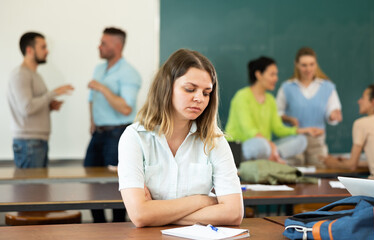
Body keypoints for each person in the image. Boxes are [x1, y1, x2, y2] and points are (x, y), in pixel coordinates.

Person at [118, 49, 243, 227]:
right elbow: (139, 215)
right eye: (190, 89)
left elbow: (233, 213)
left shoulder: (214, 140)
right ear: (166, 88)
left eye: (206, 93)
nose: (199, 98)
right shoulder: (134, 137)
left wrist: (156, 214)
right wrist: (202, 200)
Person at [85, 27, 141, 223]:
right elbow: (91, 98)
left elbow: (125, 108)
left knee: (117, 186)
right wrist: (92, 123)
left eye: (104, 43)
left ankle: (117, 229)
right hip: (98, 134)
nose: (99, 46)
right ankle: (98, 227)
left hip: (118, 133)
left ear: (117, 46)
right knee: (89, 179)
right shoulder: (99, 69)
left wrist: (102, 87)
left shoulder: (129, 73)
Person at [225, 56, 323, 164]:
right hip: (242, 147)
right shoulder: (242, 96)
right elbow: (249, 130)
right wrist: (271, 146)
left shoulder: (271, 100)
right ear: (258, 75)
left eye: (276, 74)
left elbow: (278, 128)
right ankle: (273, 157)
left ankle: (270, 157)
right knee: (261, 145)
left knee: (301, 140)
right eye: (272, 74)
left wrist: (304, 130)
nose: (276, 78)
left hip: (266, 147)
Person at [7, 32, 74, 168]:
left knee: (38, 188)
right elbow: (27, 108)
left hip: (36, 142)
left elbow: (33, 105)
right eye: (43, 47)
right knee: (30, 189)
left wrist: (49, 106)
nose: (47, 51)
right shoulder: (21, 75)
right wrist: (53, 93)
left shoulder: (34, 75)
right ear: (29, 50)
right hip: (29, 143)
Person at [276, 47, 342, 166]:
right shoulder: (287, 87)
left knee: (321, 173)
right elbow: (277, 113)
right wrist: (288, 119)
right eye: (304, 65)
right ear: (296, 65)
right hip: (294, 141)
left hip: (317, 142)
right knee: (293, 174)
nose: (308, 69)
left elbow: (332, 113)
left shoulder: (327, 87)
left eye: (312, 64)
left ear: (316, 64)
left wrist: (333, 116)